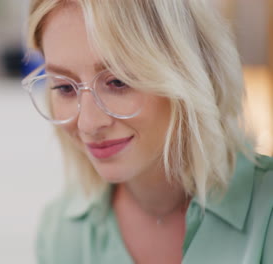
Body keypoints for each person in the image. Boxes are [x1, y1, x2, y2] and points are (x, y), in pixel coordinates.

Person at [21, 0, 273, 263]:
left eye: (118, 81)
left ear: (189, 72)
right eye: (64, 87)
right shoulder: (62, 232)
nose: (88, 123)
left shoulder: (266, 215)